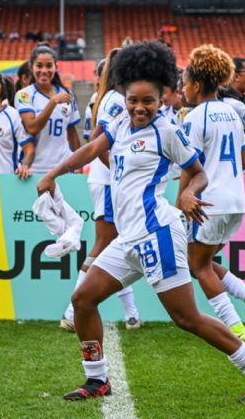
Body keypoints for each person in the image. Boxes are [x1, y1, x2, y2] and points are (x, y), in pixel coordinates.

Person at [37, 41, 245, 403]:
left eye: (148, 101)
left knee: (187, 318)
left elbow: (198, 173)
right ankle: (97, 380)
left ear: (163, 97)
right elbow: (91, 149)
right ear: (124, 96)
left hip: (158, 235)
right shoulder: (119, 122)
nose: (139, 107)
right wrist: (53, 173)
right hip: (128, 237)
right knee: (83, 299)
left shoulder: (168, 131)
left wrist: (186, 194)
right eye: (134, 100)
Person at [180, 44, 245, 342]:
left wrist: (181, 199)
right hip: (236, 200)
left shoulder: (194, 118)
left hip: (208, 201)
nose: (182, 90)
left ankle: (234, 327)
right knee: (203, 262)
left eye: (184, 84)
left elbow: (190, 167)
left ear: (195, 85)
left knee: (197, 266)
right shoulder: (233, 109)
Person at [60, 48, 142, 333]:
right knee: (105, 246)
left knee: (118, 245)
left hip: (104, 179)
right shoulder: (116, 100)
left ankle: (131, 313)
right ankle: (72, 310)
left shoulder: (103, 97)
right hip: (108, 180)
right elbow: (98, 142)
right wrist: (121, 170)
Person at [14, 46, 81, 174]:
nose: (44, 70)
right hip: (35, 169)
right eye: (39, 66)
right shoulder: (24, 95)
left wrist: (79, 163)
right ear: (31, 67)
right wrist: (52, 102)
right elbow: (32, 128)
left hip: (64, 168)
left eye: (49, 66)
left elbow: (72, 133)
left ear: (56, 67)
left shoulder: (67, 94)